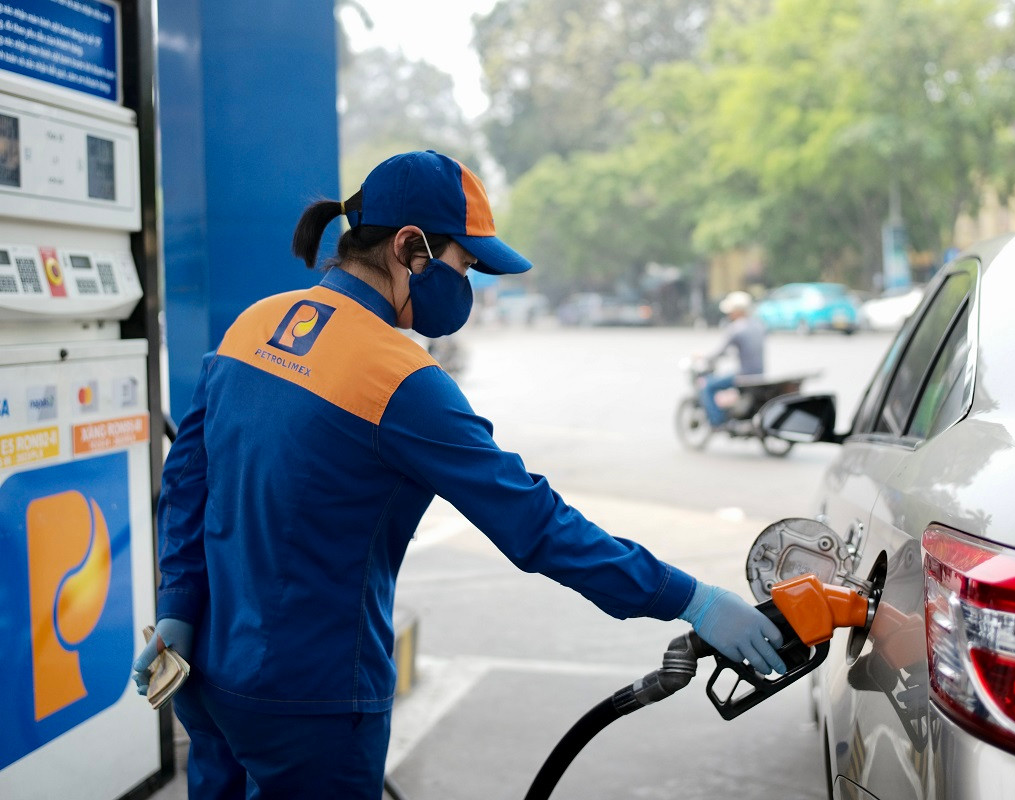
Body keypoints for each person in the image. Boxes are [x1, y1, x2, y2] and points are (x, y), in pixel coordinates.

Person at [132, 150, 787, 799]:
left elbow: (187, 482)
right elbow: (537, 526)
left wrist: (178, 608)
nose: (468, 283)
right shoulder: (400, 381)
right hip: (312, 702)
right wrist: (691, 598)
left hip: (204, 678)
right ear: (410, 247)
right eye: (465, 263)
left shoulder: (253, 324)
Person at [701, 290, 766, 426]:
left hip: (743, 375)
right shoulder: (758, 325)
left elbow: (719, 352)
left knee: (707, 386)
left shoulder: (736, 328)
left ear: (737, 311)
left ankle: (717, 422)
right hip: (759, 374)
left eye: (731, 311)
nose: (729, 314)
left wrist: (703, 357)